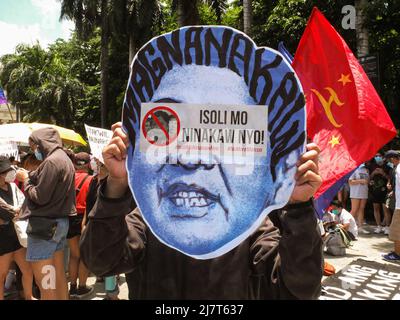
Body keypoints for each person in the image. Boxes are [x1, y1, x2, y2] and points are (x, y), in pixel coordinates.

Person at [80, 122, 323, 299]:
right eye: (183, 158)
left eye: (212, 160)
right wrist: (116, 183)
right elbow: (100, 261)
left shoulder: (249, 224)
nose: (196, 166)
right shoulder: (149, 217)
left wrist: (299, 208)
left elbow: (298, 290)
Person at [16, 127, 76, 300]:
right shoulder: (63, 159)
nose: (33, 151)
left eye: (33, 146)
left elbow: (39, 197)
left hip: (44, 227)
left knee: (46, 283)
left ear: (41, 143)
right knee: (57, 277)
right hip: (58, 224)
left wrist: (25, 180)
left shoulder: (51, 162)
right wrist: (31, 175)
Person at [0, 156, 33, 300]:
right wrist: (15, 212)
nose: (9, 173)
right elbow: (8, 213)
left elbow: (24, 207)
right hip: (2, 239)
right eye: (5, 171)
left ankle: (29, 296)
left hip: (17, 236)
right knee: (1, 274)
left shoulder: (13, 186)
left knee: (27, 270)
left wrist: (14, 213)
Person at [67, 152, 93, 299]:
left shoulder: (68, 178)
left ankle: (72, 287)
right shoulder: (92, 180)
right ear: (89, 164)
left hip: (69, 217)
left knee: (74, 255)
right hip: (85, 218)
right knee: (84, 255)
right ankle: (82, 287)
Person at [367, 153, 391, 234]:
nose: (378, 157)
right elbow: (368, 178)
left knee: (386, 210)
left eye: (379, 156)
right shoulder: (371, 166)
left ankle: (387, 227)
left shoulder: (387, 167)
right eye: (376, 156)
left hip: (385, 192)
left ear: (383, 157)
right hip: (374, 192)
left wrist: (382, 173)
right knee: (376, 209)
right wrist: (373, 174)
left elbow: (390, 179)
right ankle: (379, 226)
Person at [383, 150, 400, 262]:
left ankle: (397, 254)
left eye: (389, 160)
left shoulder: (398, 169)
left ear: (393, 158)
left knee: (396, 231)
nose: (389, 162)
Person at [349, 163, 370, 234]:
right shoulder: (353, 169)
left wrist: (368, 181)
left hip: (364, 192)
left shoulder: (366, 170)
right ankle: (348, 227)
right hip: (355, 192)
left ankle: (360, 227)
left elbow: (368, 181)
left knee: (361, 209)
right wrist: (360, 181)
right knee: (354, 210)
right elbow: (350, 182)